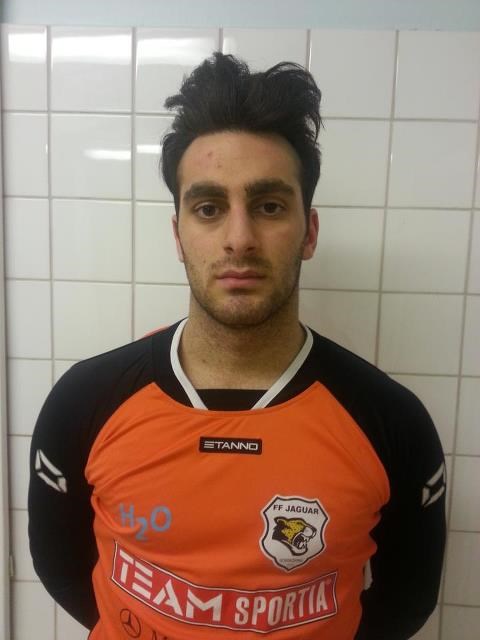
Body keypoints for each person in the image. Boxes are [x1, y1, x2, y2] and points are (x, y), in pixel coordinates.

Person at [28, 52, 446, 640]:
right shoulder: (84, 401)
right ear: (179, 235)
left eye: (269, 206)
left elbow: (408, 597)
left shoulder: (390, 420)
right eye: (209, 208)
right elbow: (62, 565)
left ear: (309, 232)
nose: (239, 238)